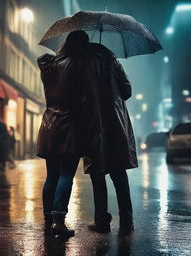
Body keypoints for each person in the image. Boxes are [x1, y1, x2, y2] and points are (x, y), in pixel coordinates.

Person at [37, 30, 89, 238]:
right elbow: (84, 97)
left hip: (49, 123)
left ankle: (49, 219)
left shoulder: (49, 65)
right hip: (70, 124)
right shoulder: (78, 66)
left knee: (52, 175)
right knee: (66, 173)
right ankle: (59, 221)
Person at [83, 43, 138, 235]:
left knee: (97, 176)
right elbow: (127, 90)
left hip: (92, 123)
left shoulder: (83, 62)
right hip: (116, 124)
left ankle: (101, 221)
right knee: (119, 175)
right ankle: (127, 221)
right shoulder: (113, 62)